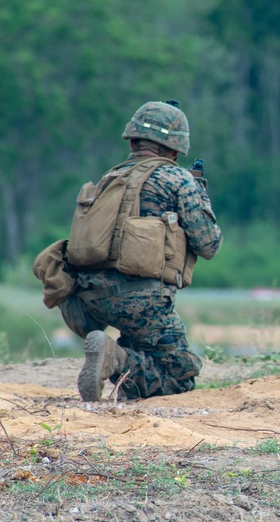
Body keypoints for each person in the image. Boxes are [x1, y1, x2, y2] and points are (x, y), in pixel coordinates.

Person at [66, 100, 222, 402]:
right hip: (143, 299)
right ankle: (115, 357)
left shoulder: (111, 178)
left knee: (145, 349)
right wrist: (200, 195)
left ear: (134, 140)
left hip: (92, 299)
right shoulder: (177, 179)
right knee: (179, 381)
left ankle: (123, 365)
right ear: (175, 150)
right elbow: (209, 245)